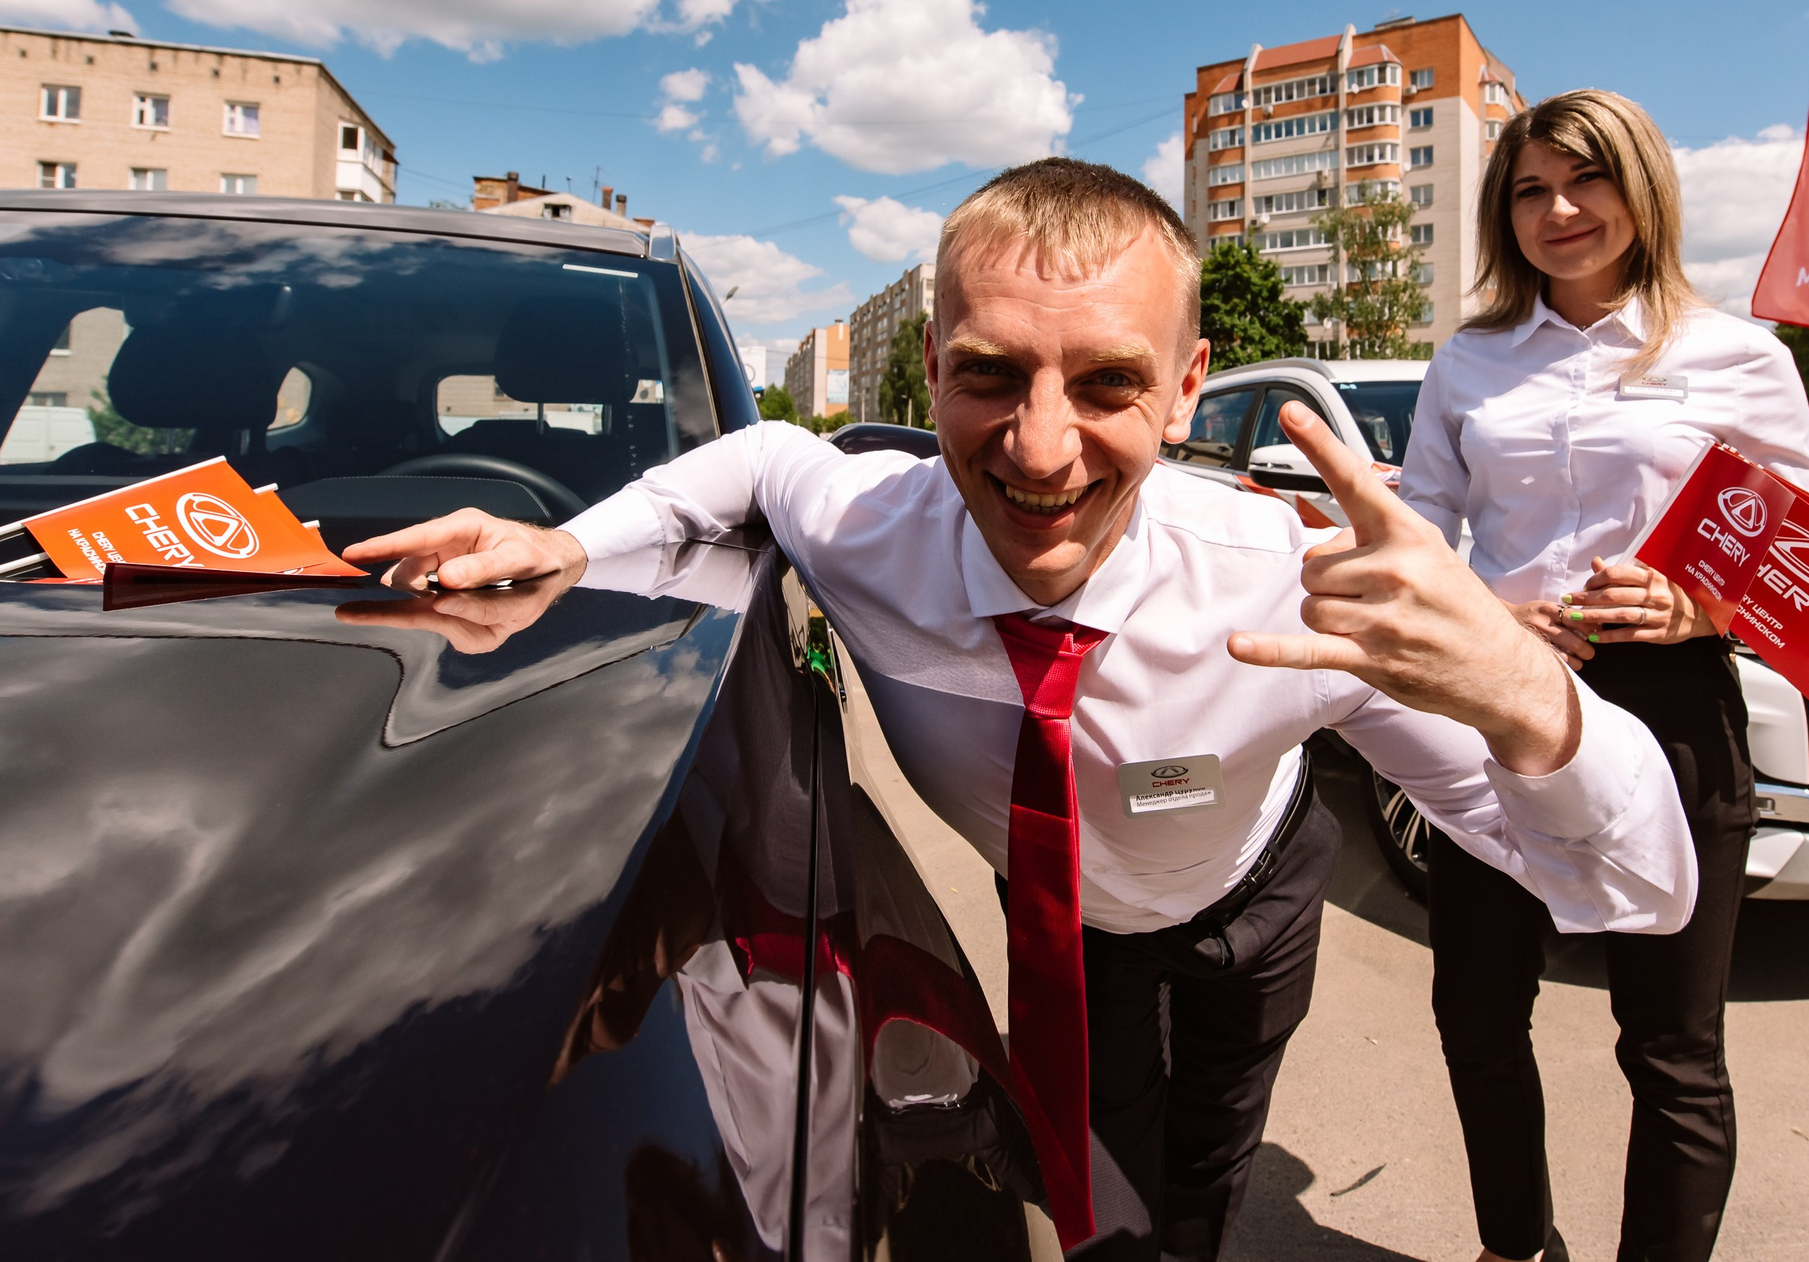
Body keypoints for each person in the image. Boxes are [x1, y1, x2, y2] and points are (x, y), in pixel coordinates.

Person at [345, 160, 1694, 1262]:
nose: (1040, 450)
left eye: (1107, 383)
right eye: (990, 375)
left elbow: (1644, 887)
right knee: (1101, 1162)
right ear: (928, 364)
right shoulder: (866, 520)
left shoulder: (1295, 587)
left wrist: (1533, 700)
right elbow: (758, 461)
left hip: (1250, 898)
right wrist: (571, 544)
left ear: (1185, 388)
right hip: (1064, 922)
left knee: (1212, 1152)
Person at [1401, 91, 1809, 1262]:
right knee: (1478, 1013)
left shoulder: (1737, 355)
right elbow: (1421, 523)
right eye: (1530, 189)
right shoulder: (1470, 359)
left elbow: (1802, 556)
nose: (1559, 209)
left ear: (1641, 189)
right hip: (1503, 704)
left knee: (1671, 1044)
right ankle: (1515, 1244)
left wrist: (1704, 601)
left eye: (1584, 179)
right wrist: (1488, 609)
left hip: (1674, 709)